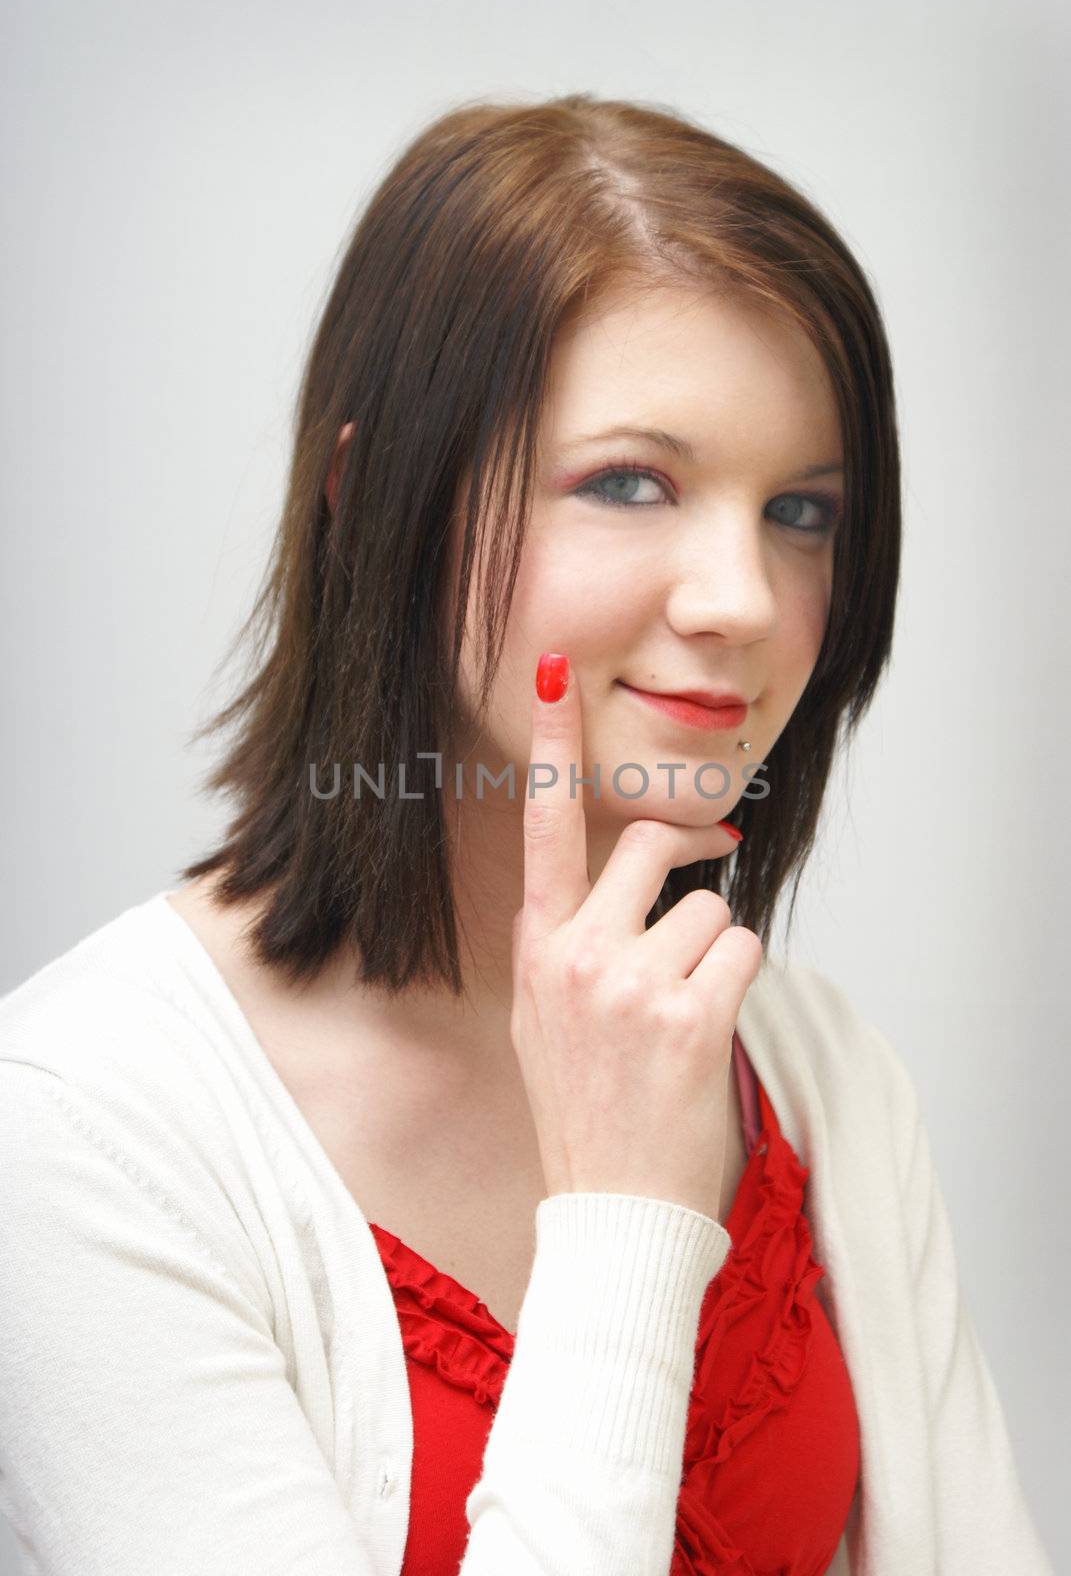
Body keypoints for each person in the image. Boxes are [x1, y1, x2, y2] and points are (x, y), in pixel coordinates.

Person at [0, 93, 1052, 1576]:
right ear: (378, 507)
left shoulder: (816, 1074)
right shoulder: (79, 1132)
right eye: (632, 481)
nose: (742, 600)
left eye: (803, 512)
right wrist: (623, 1219)